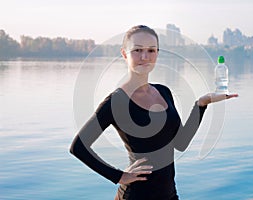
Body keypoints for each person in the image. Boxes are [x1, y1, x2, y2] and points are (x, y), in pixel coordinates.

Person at [70, 25, 238, 200]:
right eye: (137, 50)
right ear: (124, 54)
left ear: (157, 53)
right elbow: (78, 147)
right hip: (136, 196)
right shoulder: (116, 102)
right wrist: (119, 176)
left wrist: (202, 104)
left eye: (151, 50)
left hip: (169, 195)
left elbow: (181, 142)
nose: (144, 57)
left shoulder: (164, 92)